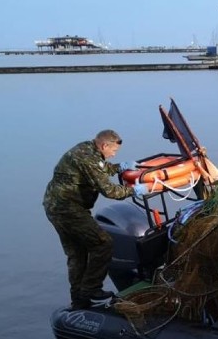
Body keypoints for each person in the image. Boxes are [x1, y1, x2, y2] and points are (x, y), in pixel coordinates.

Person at [43, 129, 144, 309]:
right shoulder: (87, 158)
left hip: (55, 207)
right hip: (68, 209)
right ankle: (91, 289)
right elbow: (110, 191)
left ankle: (79, 301)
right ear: (104, 145)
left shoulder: (86, 149)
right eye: (113, 151)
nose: (113, 154)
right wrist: (135, 190)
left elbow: (100, 168)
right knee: (103, 243)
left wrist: (119, 167)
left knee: (77, 254)